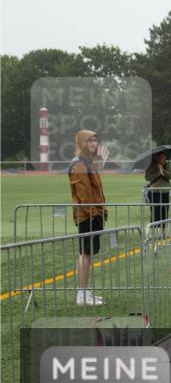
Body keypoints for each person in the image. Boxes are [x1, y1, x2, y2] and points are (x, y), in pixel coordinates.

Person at [68, 130, 108, 306]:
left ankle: (84, 292)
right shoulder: (79, 164)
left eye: (95, 141)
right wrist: (94, 213)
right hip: (87, 215)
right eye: (89, 141)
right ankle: (81, 294)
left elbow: (96, 189)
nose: (93, 144)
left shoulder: (87, 162)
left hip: (93, 214)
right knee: (85, 254)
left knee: (88, 254)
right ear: (82, 143)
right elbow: (84, 194)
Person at [144, 151, 171, 239]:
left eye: (164, 157)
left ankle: (164, 233)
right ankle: (151, 233)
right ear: (156, 157)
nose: (162, 159)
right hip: (154, 191)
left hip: (165, 191)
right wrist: (157, 173)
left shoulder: (167, 165)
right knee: (155, 212)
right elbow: (147, 177)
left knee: (165, 212)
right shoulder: (151, 165)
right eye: (160, 157)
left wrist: (162, 170)